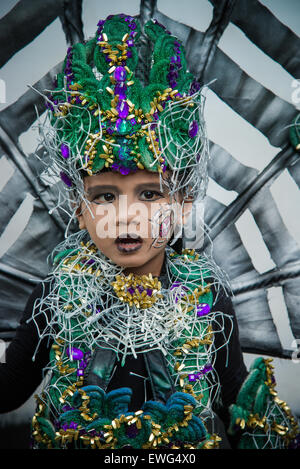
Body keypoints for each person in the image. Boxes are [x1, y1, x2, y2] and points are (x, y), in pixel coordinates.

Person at [0, 13, 298, 450]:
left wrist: (257, 424)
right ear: (79, 210)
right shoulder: (56, 295)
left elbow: (233, 404)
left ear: (182, 205)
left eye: (150, 195)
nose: (126, 216)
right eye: (104, 196)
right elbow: (10, 390)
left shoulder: (206, 300)